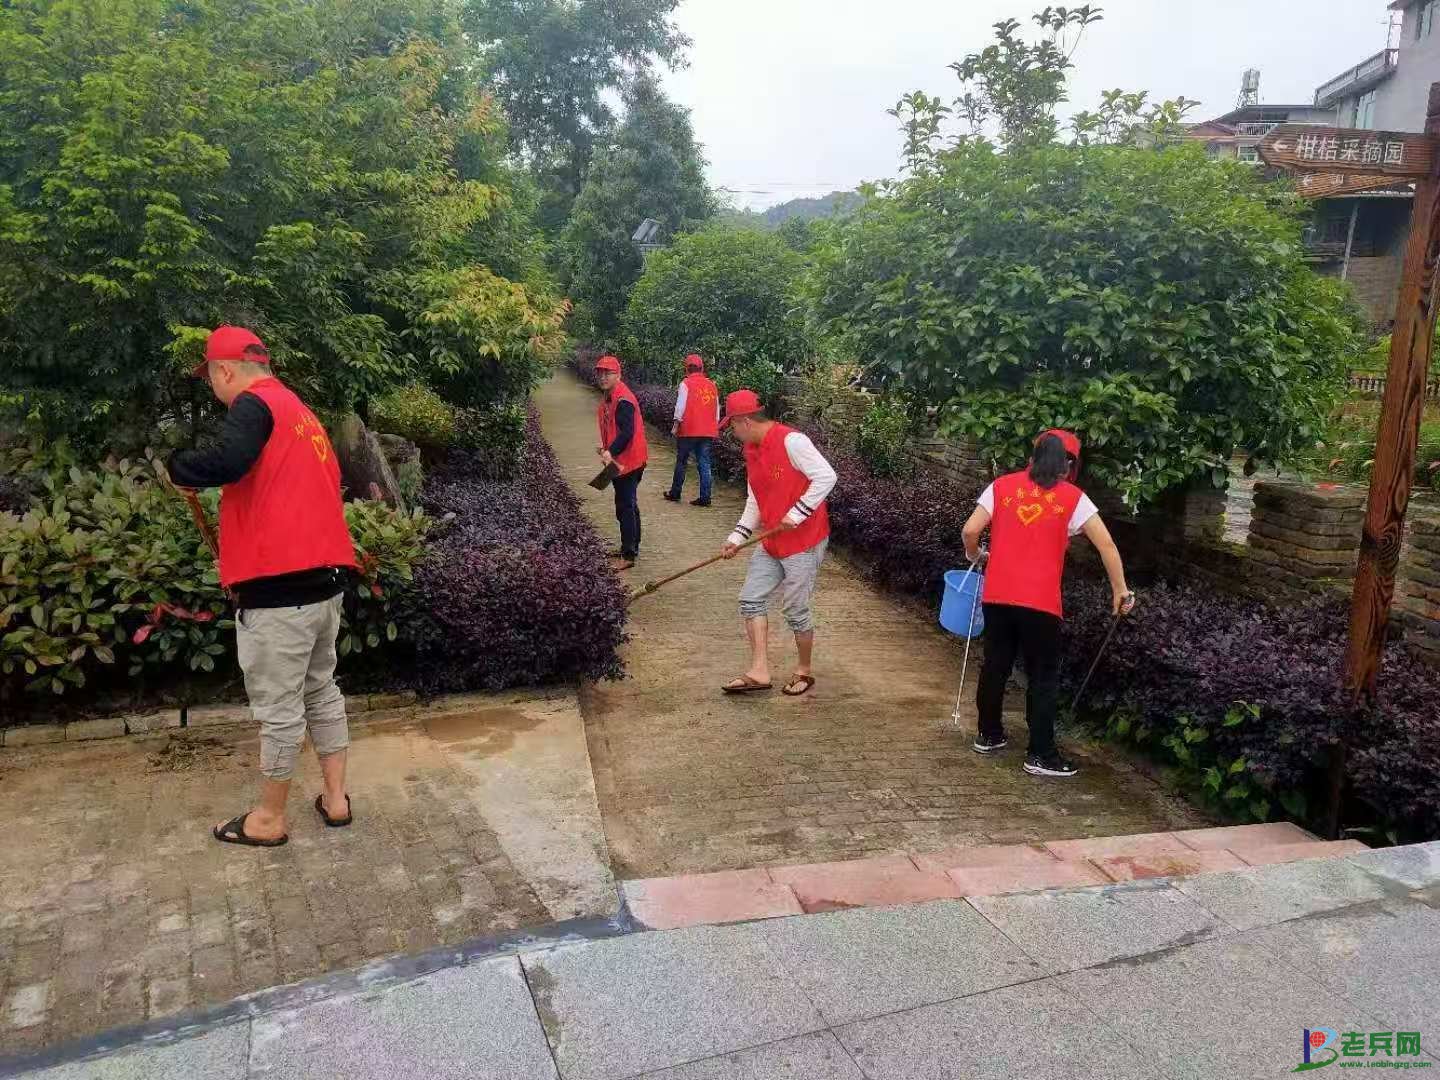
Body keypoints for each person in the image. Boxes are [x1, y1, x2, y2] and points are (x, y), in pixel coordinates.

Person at [168, 325, 358, 846]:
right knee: (321, 689)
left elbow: (228, 461)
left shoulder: (253, 405)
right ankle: (336, 800)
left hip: (279, 593)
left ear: (225, 370)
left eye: (211, 377)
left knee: (279, 709)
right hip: (324, 584)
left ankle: (269, 820)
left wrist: (179, 467)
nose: (213, 386)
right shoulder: (299, 412)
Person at [961, 429, 1134, 779]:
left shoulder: (1002, 486)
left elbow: (970, 529)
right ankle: (1040, 754)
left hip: (997, 595)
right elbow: (1106, 545)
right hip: (1041, 603)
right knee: (1042, 676)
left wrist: (975, 554)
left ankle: (989, 735)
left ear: (1034, 456)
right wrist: (1120, 590)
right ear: (1069, 465)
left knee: (995, 665)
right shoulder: (1073, 497)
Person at [719, 389, 837, 698]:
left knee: (795, 609)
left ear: (744, 421)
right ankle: (759, 671)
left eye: (732, 425)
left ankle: (804, 671)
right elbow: (755, 498)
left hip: (803, 541)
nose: (732, 432)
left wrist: (797, 513)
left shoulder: (792, 441)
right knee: (751, 599)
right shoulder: (751, 449)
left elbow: (826, 476)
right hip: (772, 540)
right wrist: (737, 537)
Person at [594, 354, 649, 569]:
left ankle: (628, 555)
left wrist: (610, 451)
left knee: (625, 506)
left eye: (608, 373)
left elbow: (627, 433)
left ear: (618, 375)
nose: (603, 377)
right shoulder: (611, 396)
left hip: (628, 461)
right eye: (600, 373)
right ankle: (632, 546)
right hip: (622, 460)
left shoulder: (623, 399)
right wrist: (607, 448)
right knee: (628, 504)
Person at [663, 353, 720, 507]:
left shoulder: (686, 384)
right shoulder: (712, 385)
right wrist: (714, 425)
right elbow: (716, 409)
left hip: (689, 429)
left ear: (687, 368)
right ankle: (705, 497)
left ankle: (675, 493)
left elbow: (680, 407)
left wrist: (676, 425)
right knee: (704, 462)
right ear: (701, 368)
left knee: (682, 461)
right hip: (707, 430)